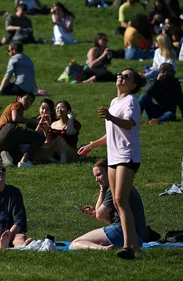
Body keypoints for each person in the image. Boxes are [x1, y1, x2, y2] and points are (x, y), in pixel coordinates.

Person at [78, 69, 146, 259]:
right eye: (120, 74)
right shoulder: (114, 102)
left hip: (127, 156)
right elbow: (112, 133)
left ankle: (128, 246)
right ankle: (133, 245)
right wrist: (92, 145)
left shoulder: (131, 101)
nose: (121, 77)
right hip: (114, 157)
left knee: (122, 201)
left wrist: (110, 117)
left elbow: (129, 123)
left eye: (126, 76)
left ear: (132, 85)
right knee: (117, 202)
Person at [69, 158, 149, 251]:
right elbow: (103, 216)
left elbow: (99, 215)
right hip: (137, 236)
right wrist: (97, 210)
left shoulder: (114, 189)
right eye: (95, 176)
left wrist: (102, 190)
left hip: (124, 232)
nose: (96, 180)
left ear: (109, 171)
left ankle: (104, 249)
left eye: (99, 175)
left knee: (75, 244)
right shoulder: (122, 185)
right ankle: (104, 247)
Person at [0, 92, 43, 168]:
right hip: (8, 130)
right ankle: (26, 160)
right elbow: (15, 118)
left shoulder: (18, 108)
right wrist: (32, 121)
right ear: (19, 98)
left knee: (17, 158)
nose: (28, 102)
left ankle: (6, 158)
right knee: (40, 137)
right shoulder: (17, 104)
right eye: (26, 99)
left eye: (31, 101)